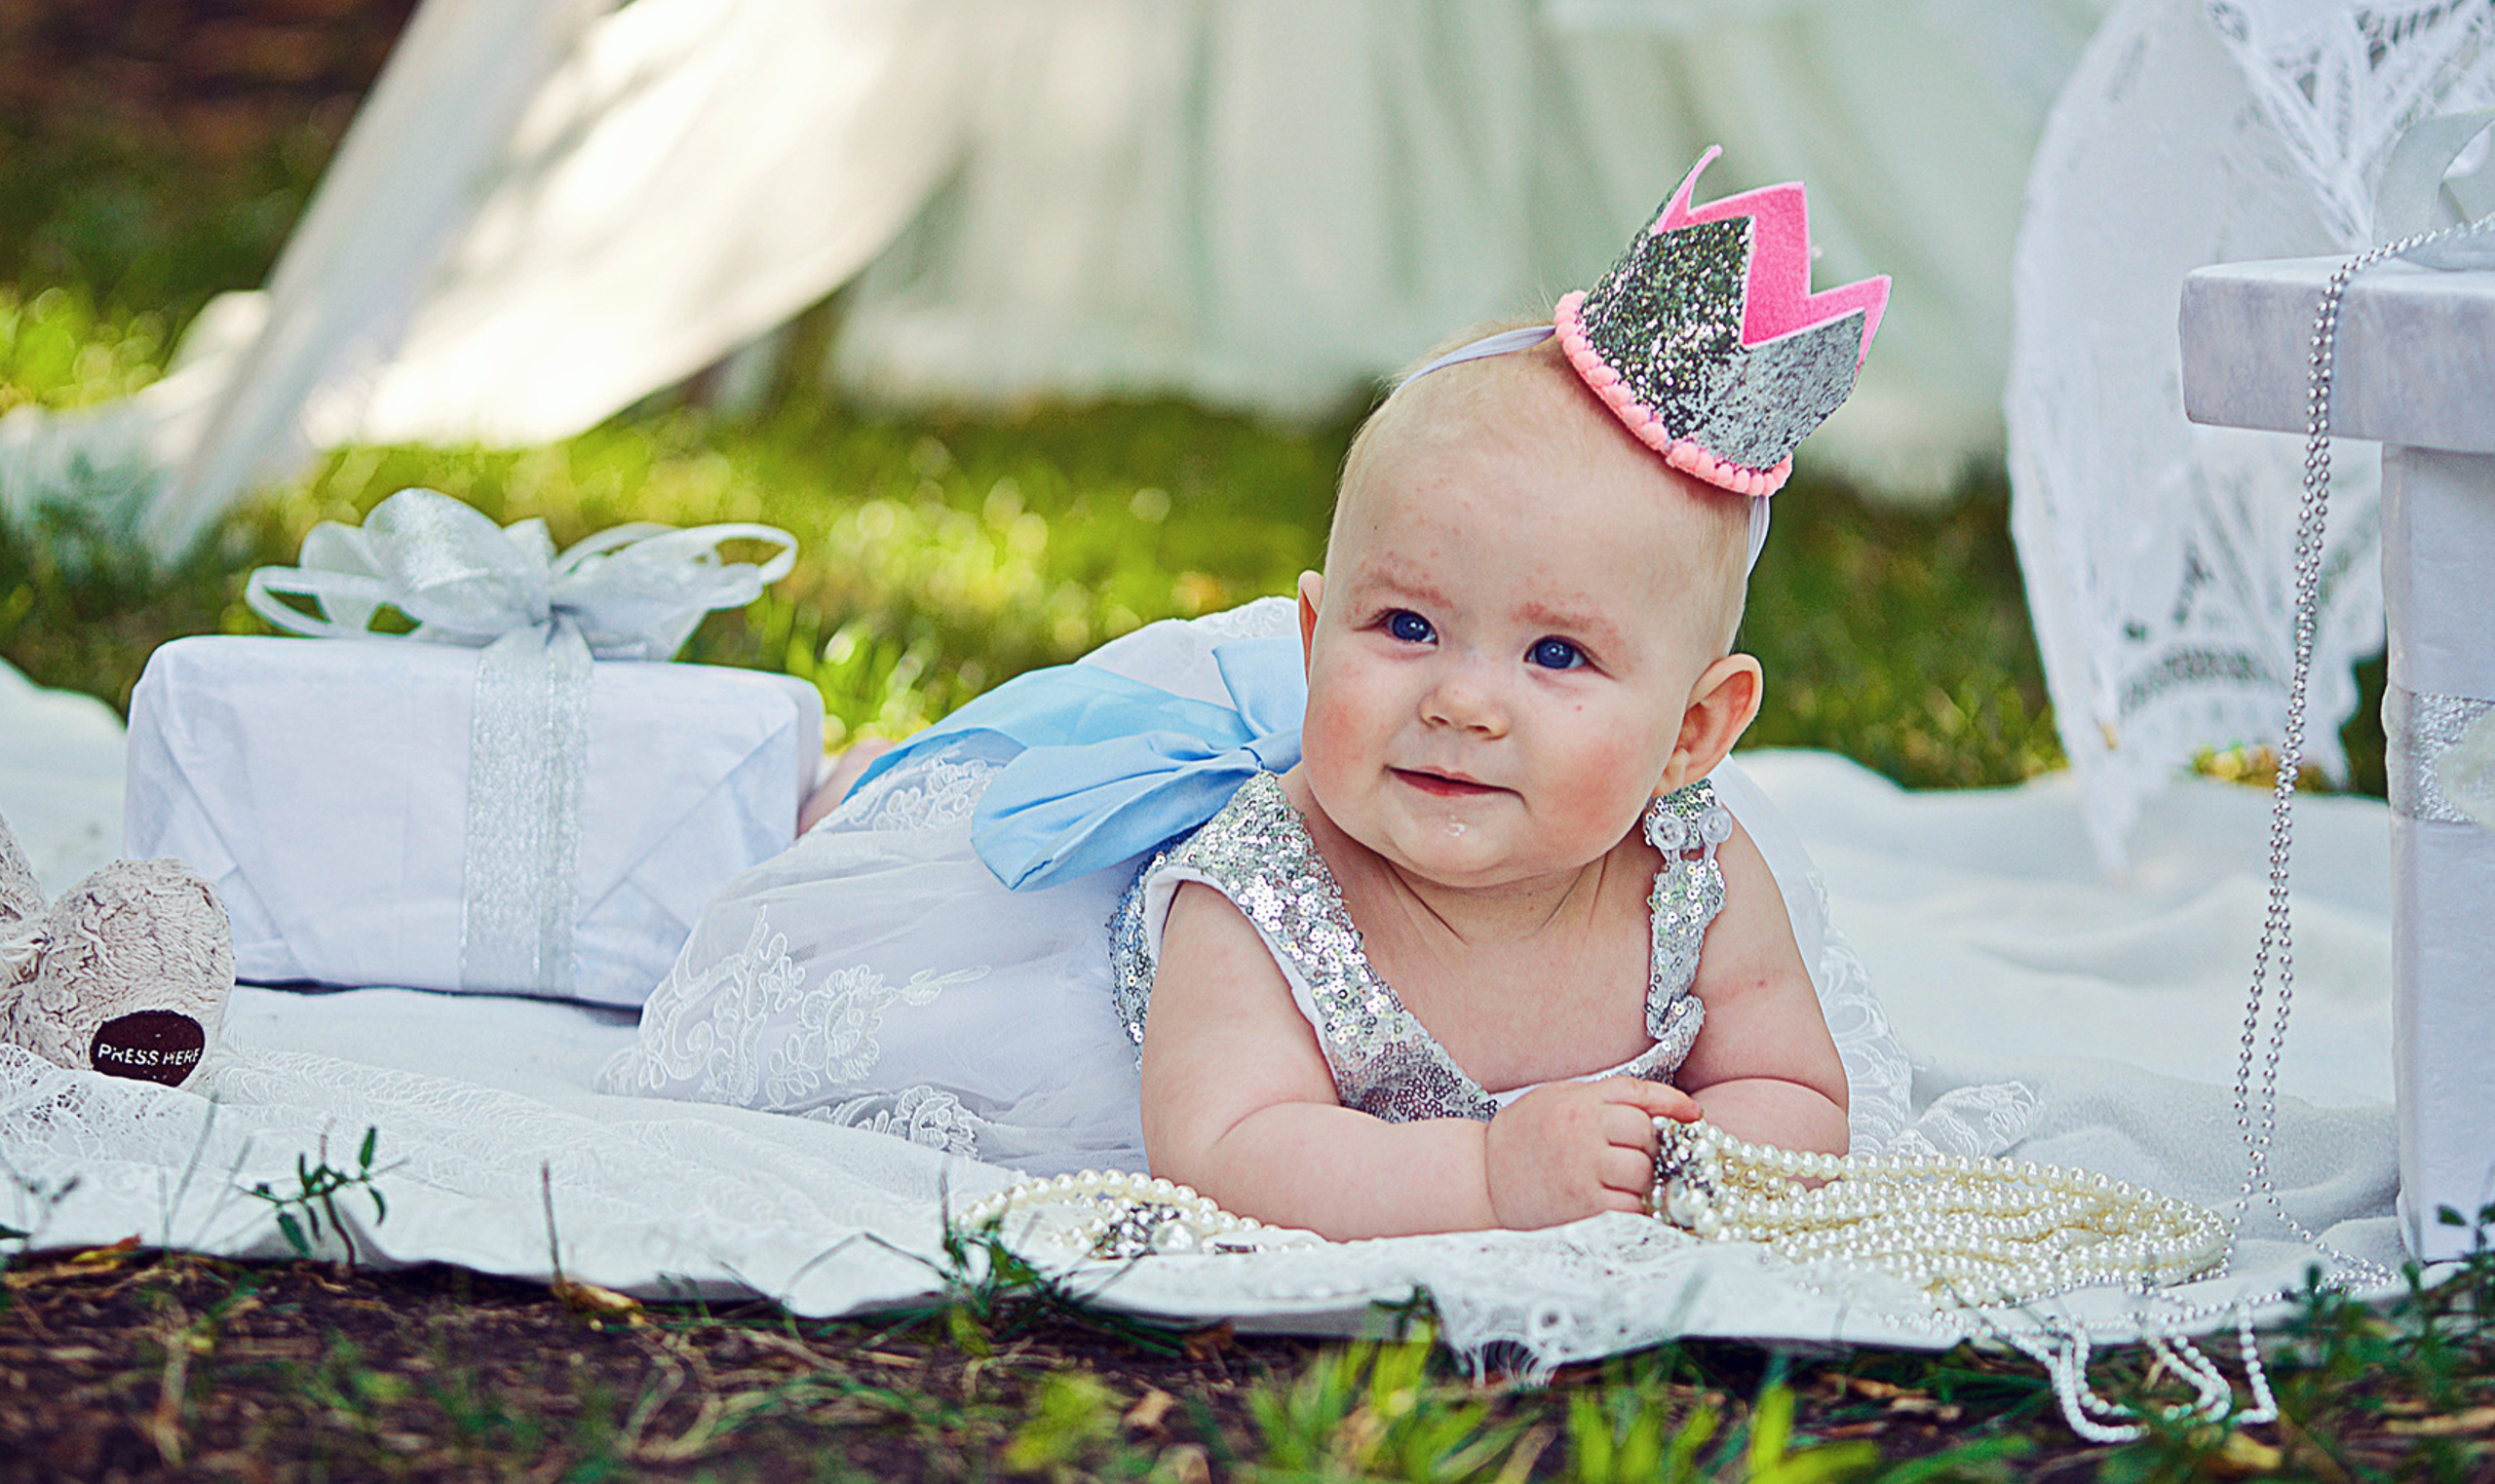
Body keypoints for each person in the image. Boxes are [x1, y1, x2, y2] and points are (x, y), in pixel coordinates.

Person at [598, 152, 1906, 1233]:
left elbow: (1789, 1080)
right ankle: (852, 782)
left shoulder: (1696, 872)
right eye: (1403, 626)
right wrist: (1492, 1178)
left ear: (1694, 732)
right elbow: (1226, 1151)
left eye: (1555, 656)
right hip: (1074, 965)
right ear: (1312, 635)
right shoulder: (1260, 884)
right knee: (922, 861)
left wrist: (1711, 1163)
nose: (1462, 702)